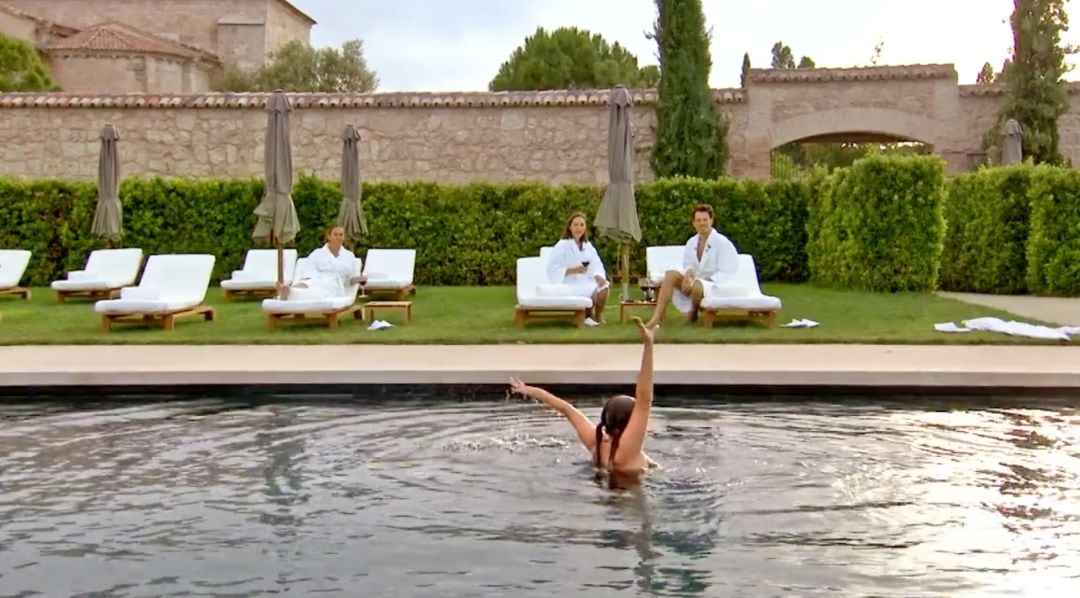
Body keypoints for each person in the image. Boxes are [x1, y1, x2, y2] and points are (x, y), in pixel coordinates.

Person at [509, 316, 656, 483]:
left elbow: (566, 409)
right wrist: (648, 346)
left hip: (603, 490)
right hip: (628, 496)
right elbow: (644, 399)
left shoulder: (597, 443)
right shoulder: (628, 448)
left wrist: (530, 390)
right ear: (629, 423)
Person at [644, 204, 739, 328]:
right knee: (671, 274)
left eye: (705, 220)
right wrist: (687, 276)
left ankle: (692, 314)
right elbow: (689, 265)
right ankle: (656, 318)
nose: (702, 223)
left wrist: (701, 282)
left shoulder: (722, 243)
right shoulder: (692, 242)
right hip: (695, 283)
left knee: (698, 285)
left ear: (711, 221)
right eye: (698, 220)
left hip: (715, 285)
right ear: (694, 223)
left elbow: (728, 270)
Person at [547, 212, 610, 325]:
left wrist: (599, 276)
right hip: (570, 283)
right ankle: (589, 314)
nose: (579, 228)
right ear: (570, 227)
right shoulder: (562, 245)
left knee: (604, 288)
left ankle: (598, 315)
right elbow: (553, 268)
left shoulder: (587, 245)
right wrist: (572, 270)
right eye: (575, 225)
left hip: (587, 280)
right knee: (592, 290)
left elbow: (596, 264)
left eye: (582, 225)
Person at [276, 225, 363, 300]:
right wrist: (313, 278)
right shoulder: (318, 253)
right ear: (329, 236)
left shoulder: (349, 256)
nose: (338, 237)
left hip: (335, 285)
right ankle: (289, 289)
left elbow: (351, 278)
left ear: (344, 237)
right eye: (335, 234)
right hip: (318, 279)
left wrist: (361, 279)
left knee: (318, 289)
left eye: (341, 235)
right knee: (310, 283)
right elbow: (309, 269)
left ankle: (289, 292)